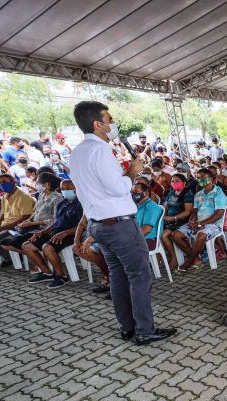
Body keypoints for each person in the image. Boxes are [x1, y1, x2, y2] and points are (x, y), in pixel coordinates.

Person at [70, 101, 175, 346]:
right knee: (139, 276)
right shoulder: (100, 151)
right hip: (119, 225)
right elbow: (118, 188)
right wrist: (132, 171)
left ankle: (126, 327)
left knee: (118, 276)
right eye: (109, 119)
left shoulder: (78, 152)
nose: (113, 123)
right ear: (98, 124)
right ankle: (145, 330)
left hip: (98, 223)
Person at [21, 179, 83, 289]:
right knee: (26, 246)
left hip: (72, 234)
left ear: (77, 188)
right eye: (63, 189)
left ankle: (61, 276)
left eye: (69, 189)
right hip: (56, 232)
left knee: (47, 247)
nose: (65, 191)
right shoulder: (61, 204)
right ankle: (47, 273)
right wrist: (42, 232)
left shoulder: (81, 204)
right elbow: (55, 222)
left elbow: (82, 226)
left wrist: (65, 233)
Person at [0, 173, 64, 266]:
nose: (36, 185)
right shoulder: (42, 194)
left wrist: (32, 224)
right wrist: (29, 220)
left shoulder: (57, 198)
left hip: (46, 229)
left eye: (38, 183)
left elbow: (55, 220)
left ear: (47, 185)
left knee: (20, 242)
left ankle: (41, 264)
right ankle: (38, 258)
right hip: (33, 226)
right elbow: (35, 211)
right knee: (5, 242)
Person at [173, 170, 227, 270]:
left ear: (211, 179)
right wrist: (192, 220)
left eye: (203, 177)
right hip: (199, 222)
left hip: (214, 225)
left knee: (201, 235)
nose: (200, 180)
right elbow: (194, 211)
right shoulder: (199, 194)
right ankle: (196, 258)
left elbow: (219, 214)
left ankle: (189, 262)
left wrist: (200, 224)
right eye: (198, 178)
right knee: (176, 235)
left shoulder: (218, 193)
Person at [162, 174, 194, 271]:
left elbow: (187, 212)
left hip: (181, 220)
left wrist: (172, 218)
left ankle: (174, 258)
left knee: (164, 235)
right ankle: (164, 257)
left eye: (177, 181)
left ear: (184, 183)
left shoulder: (188, 194)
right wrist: (163, 216)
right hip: (170, 219)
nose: (174, 183)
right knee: (158, 232)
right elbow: (166, 207)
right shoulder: (171, 193)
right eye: (172, 181)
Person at [132, 181, 163, 250]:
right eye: (132, 192)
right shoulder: (138, 206)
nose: (133, 194)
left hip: (147, 240)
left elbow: (147, 230)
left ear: (145, 193)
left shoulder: (151, 207)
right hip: (138, 237)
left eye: (136, 191)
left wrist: (130, 240)